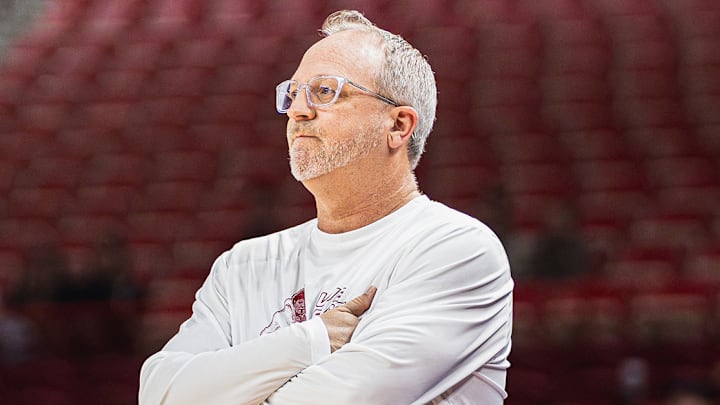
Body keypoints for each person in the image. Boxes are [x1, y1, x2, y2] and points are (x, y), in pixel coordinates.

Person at [139, 10, 513, 405]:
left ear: (399, 125)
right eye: (293, 93)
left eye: (325, 91)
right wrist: (311, 341)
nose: (298, 111)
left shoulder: (454, 249)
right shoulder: (243, 266)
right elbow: (159, 394)